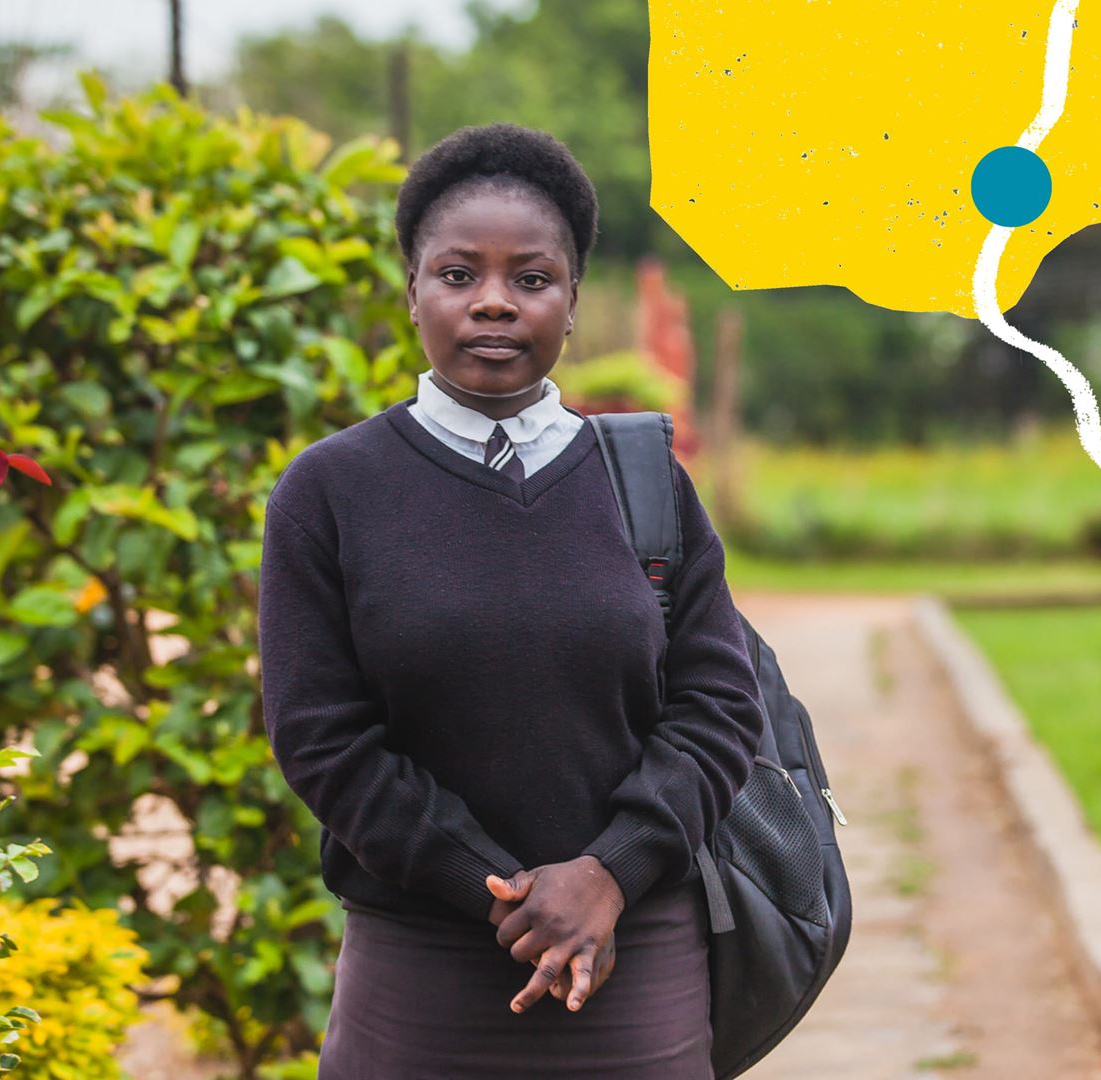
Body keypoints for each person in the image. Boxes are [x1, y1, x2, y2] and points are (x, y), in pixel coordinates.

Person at [255, 122, 765, 1079]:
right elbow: (319, 734)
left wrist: (610, 871)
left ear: (572, 305)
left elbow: (719, 708)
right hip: (420, 974)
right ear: (413, 291)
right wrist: (499, 892)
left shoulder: (649, 481)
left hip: (634, 962)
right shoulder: (330, 492)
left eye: (530, 278)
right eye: (458, 274)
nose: (493, 302)